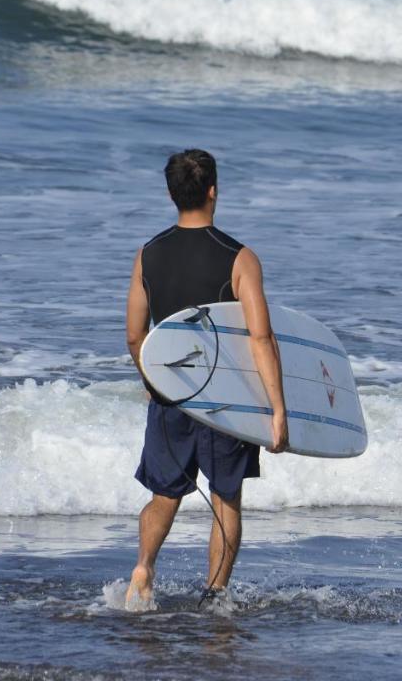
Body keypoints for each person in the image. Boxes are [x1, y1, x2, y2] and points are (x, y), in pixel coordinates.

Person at [124, 148, 288, 610]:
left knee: (163, 494)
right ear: (213, 191)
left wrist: (156, 381)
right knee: (225, 499)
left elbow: (136, 335)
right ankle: (214, 596)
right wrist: (276, 410)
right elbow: (261, 338)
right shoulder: (239, 258)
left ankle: (143, 568)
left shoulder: (148, 255)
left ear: (172, 194)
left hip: (171, 397)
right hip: (225, 401)